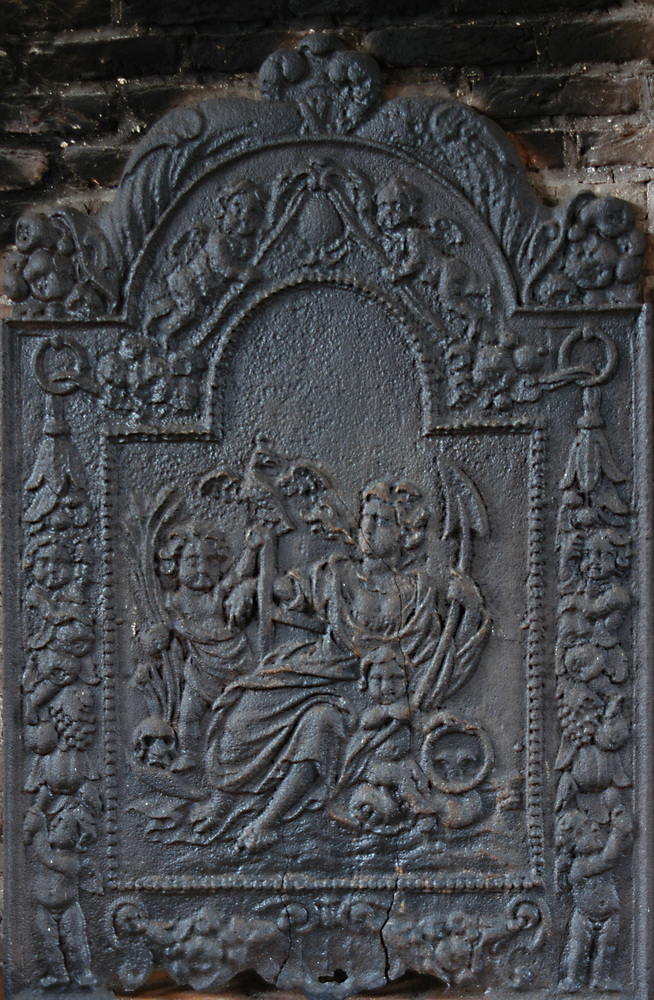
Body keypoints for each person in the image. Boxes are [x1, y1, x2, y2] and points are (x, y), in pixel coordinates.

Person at [206, 480, 487, 852]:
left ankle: (266, 822)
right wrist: (252, 586)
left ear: (405, 533)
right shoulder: (336, 572)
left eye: (382, 521)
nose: (368, 527)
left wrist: (471, 609)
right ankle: (221, 802)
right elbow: (286, 591)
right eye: (366, 518)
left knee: (320, 723)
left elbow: (439, 659)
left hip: (372, 693)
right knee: (241, 722)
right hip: (317, 673)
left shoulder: (418, 591)